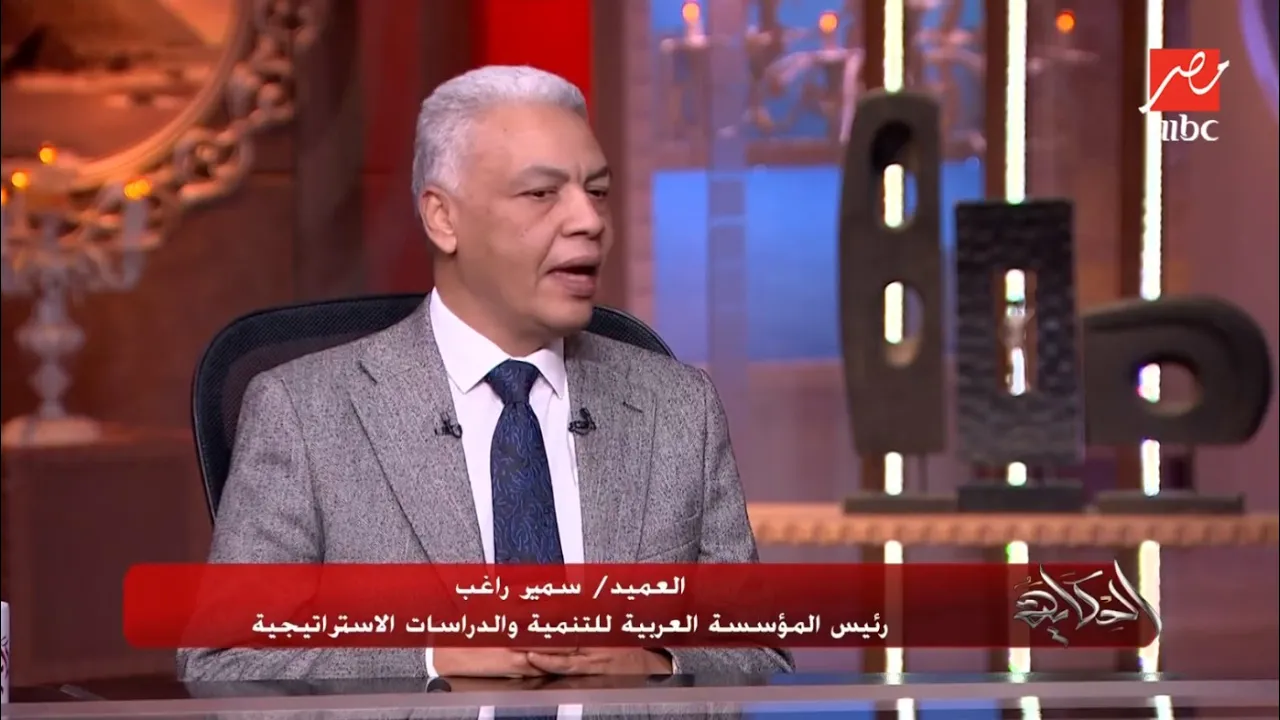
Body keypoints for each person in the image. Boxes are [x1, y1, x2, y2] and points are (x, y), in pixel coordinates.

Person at [177, 65, 793, 682]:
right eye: (542, 193)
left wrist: (654, 664)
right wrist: (431, 659)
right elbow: (226, 658)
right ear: (443, 218)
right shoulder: (303, 412)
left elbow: (759, 654)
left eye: (598, 191)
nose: (589, 221)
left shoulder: (679, 407)